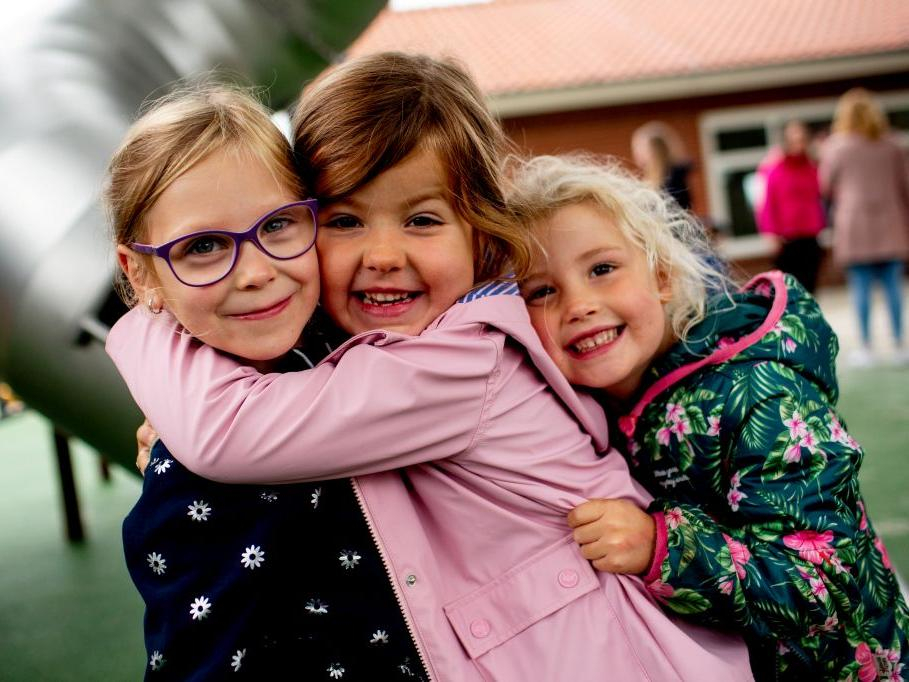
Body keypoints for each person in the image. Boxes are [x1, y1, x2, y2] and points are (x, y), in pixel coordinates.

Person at [107, 53, 752, 681]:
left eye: (421, 219)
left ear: (479, 233)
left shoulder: (465, 365)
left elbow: (231, 431)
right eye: (345, 220)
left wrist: (148, 326)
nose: (384, 254)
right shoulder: (386, 344)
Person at [509, 153, 909, 681]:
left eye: (602, 269)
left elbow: (826, 582)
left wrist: (665, 547)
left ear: (662, 277)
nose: (579, 303)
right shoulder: (588, 410)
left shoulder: (760, 394)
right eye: (541, 291)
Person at [106, 83, 431, 679]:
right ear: (141, 272)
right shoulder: (190, 476)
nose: (256, 272)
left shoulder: (334, 334)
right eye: (202, 246)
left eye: (279, 225)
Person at [819, 88, 909, 367]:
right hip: (891, 222)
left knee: (860, 287)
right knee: (893, 286)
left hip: (854, 224)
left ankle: (866, 347)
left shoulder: (835, 146)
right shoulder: (893, 144)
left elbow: (825, 185)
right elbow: (905, 186)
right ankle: (898, 345)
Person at [757, 120, 827, 293]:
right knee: (790, 292)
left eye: (801, 138)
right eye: (793, 138)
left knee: (811, 291)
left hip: (810, 237)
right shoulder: (774, 169)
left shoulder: (813, 168)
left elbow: (823, 194)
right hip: (786, 241)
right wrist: (770, 233)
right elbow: (767, 204)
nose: (798, 142)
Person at [631, 120, 693, 211]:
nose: (636, 153)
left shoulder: (673, 179)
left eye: (638, 147)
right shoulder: (653, 179)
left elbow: (678, 209)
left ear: (653, 150)